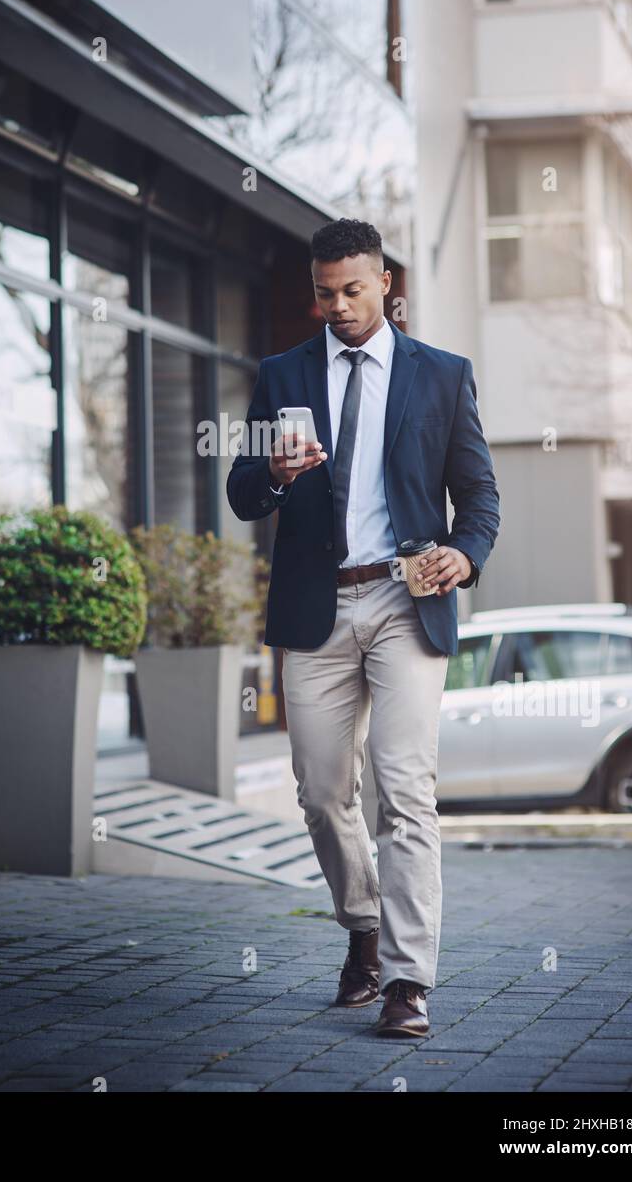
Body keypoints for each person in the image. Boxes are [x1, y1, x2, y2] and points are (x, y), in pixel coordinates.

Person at [226, 218, 501, 1037]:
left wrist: (464, 552)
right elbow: (242, 492)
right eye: (323, 292)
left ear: (385, 282)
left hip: (404, 601)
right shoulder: (280, 374)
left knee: (404, 789)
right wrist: (270, 474)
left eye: (352, 289)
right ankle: (362, 927)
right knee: (319, 791)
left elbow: (478, 496)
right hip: (316, 604)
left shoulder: (442, 376)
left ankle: (408, 981)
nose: (337, 306)